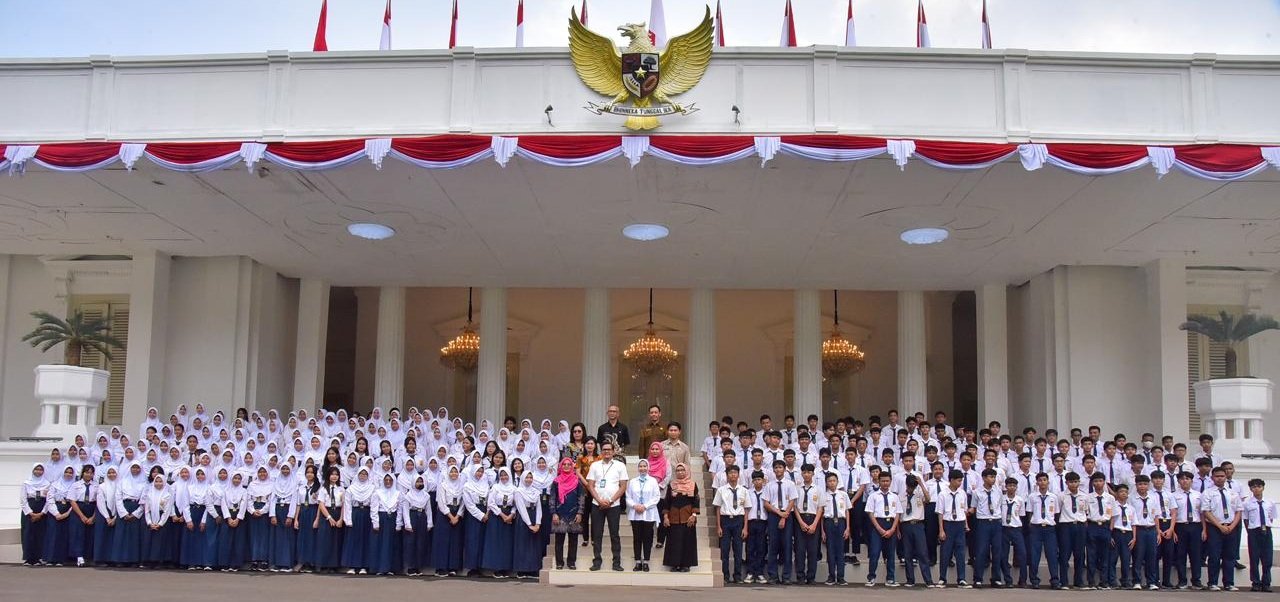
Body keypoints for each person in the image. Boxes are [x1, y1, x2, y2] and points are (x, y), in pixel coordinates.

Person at [586, 440, 628, 572]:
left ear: (613, 451)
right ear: (601, 451)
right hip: (596, 504)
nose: (606, 452)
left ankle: (616, 562)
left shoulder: (620, 465)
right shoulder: (595, 465)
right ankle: (597, 561)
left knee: (614, 534)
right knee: (597, 534)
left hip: (613, 505)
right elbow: (590, 485)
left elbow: (623, 486)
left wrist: (610, 501)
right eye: (604, 449)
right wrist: (599, 500)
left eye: (609, 449)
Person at [1203, 466, 1242, 591]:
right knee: (1214, 555)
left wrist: (1232, 526)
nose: (1220, 478)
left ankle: (1229, 583)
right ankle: (1212, 582)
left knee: (1229, 556)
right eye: (1217, 476)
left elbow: (1238, 511)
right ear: (1212, 478)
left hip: (1230, 527)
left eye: (1222, 476)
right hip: (1215, 527)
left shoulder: (1232, 493)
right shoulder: (1208, 492)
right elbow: (1206, 511)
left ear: (1226, 477)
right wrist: (1219, 526)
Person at [662, 462, 700, 573]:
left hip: (688, 517)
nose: (680, 472)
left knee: (688, 541)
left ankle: (686, 564)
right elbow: (667, 501)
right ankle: (674, 564)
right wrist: (665, 516)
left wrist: (693, 515)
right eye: (678, 471)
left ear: (686, 471)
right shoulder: (672, 485)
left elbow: (696, 501)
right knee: (674, 541)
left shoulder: (693, 484)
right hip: (673, 517)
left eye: (682, 470)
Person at [713, 464, 748, 583]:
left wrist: (745, 527)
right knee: (725, 550)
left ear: (738, 475)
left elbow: (746, 509)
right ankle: (725, 576)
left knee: (738, 550)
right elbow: (717, 508)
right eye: (730, 473)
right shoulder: (721, 490)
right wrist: (718, 526)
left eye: (735, 473)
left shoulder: (743, 490)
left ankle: (737, 576)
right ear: (727, 476)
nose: (733, 475)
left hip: (739, 520)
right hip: (725, 520)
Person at [865, 471, 900, 587]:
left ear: (890, 482)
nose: (885, 483)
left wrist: (893, 529)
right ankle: (871, 577)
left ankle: (890, 578)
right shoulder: (873, 496)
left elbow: (897, 514)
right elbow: (870, 514)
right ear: (879, 481)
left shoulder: (894, 496)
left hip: (891, 524)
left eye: (887, 481)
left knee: (890, 554)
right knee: (874, 552)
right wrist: (879, 528)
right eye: (883, 481)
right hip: (878, 524)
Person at [937, 468, 971, 587]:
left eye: (961, 481)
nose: (959, 483)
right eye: (958, 481)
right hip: (948, 524)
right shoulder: (943, 494)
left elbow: (964, 510)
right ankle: (942, 578)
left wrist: (966, 524)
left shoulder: (962, 493)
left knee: (960, 553)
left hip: (960, 524)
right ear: (951, 480)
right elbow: (940, 513)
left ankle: (961, 578)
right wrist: (941, 530)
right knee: (945, 552)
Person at [626, 457, 662, 571]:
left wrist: (645, 506)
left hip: (649, 513)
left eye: (644, 466)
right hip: (635, 513)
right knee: (637, 538)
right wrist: (634, 506)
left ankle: (646, 560)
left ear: (648, 467)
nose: (642, 468)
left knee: (647, 538)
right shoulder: (632, 482)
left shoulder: (653, 481)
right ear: (638, 468)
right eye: (640, 466)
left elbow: (656, 497)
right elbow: (628, 497)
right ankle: (637, 561)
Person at [550, 458, 585, 570]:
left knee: (573, 540)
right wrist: (554, 513)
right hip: (560, 514)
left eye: (569, 464)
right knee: (559, 540)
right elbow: (552, 498)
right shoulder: (556, 481)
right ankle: (559, 562)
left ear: (572, 466)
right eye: (564, 464)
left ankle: (571, 562)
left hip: (574, 513)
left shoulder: (577, 481)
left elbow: (581, 497)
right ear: (561, 466)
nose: (566, 466)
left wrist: (580, 512)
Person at [1027, 472, 1061, 589]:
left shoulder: (1053, 497)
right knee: (1034, 555)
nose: (1042, 482)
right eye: (1040, 480)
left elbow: (1056, 514)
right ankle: (1034, 580)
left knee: (1052, 555)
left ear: (1048, 482)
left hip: (1049, 528)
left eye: (1044, 480)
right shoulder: (1032, 497)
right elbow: (1029, 513)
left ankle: (1055, 580)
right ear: (1037, 482)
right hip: (1036, 528)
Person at [482, 467, 516, 578]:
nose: (504, 477)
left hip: (509, 516)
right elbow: (490, 503)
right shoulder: (495, 487)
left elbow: (516, 504)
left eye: (506, 475)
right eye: (501, 475)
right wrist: (502, 515)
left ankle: (505, 567)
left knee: (506, 543)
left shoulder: (514, 488)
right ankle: (496, 568)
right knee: (496, 542)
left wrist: (511, 515)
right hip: (497, 516)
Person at [792, 463, 823, 585]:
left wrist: (815, 524)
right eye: (804, 472)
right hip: (800, 519)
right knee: (799, 550)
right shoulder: (797, 489)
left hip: (813, 519)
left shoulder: (818, 489)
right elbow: (794, 507)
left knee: (812, 550)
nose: (806, 475)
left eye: (809, 472)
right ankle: (800, 576)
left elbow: (820, 508)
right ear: (801, 474)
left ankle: (811, 577)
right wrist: (800, 522)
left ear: (813, 474)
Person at [820, 470, 851, 586]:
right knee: (831, 551)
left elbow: (847, 511)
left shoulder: (843, 495)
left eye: (834, 481)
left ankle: (841, 576)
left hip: (841, 523)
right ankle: (831, 576)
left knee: (840, 550)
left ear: (837, 482)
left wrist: (848, 528)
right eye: (829, 481)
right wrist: (822, 531)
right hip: (829, 523)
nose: (832, 483)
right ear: (826, 483)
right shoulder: (823, 495)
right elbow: (821, 514)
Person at [342, 466, 375, 574]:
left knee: (365, 540)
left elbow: (374, 504)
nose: (363, 476)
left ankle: (364, 566)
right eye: (361, 474)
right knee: (353, 540)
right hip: (355, 514)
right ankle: (352, 565)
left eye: (365, 474)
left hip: (366, 513)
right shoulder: (351, 488)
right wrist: (348, 520)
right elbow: (347, 505)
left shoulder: (372, 488)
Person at [432, 465, 464, 576]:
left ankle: (452, 566)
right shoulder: (443, 485)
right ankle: (441, 567)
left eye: (456, 472)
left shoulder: (461, 486)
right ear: (448, 473)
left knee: (455, 541)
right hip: (445, 514)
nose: (454, 474)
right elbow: (441, 503)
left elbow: (463, 502)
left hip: (457, 514)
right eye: (452, 472)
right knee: (443, 541)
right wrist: (450, 516)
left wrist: (458, 515)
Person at [1085, 472, 1115, 589]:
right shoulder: (1088, 497)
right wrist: (1088, 529)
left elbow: (1113, 515)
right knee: (1091, 555)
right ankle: (1091, 581)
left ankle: (1104, 581)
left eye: (1101, 481)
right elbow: (1085, 514)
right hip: (1092, 526)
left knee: (1105, 555)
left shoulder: (1110, 498)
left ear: (1104, 482)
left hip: (1105, 527)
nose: (1098, 483)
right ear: (1092, 483)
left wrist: (1110, 530)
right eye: (1096, 481)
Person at [1244, 478, 1274, 592]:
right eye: (1254, 487)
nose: (1257, 489)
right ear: (1251, 489)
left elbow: (1271, 516)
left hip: (1266, 530)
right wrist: (1250, 532)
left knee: (1267, 559)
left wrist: (1266, 527)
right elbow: (1246, 520)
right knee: (1254, 558)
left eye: (1259, 486)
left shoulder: (1269, 502)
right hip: (1253, 531)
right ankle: (1255, 582)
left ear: (1263, 488)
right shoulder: (1247, 503)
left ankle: (1266, 583)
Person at [513, 470, 544, 579]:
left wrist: (538, 523)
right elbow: (521, 508)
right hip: (524, 519)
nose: (529, 480)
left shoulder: (536, 492)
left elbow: (539, 508)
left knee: (534, 545)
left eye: (530, 478)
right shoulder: (518, 491)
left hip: (534, 516)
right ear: (522, 479)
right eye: (527, 477)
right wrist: (529, 524)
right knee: (523, 544)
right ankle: (522, 570)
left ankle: (533, 569)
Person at [370, 473, 402, 576]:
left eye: (390, 480)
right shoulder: (377, 493)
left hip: (392, 518)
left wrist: (398, 523)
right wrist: (375, 522)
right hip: (382, 518)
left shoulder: (397, 493)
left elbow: (400, 509)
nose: (388, 482)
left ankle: (390, 568)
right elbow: (373, 509)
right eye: (386, 480)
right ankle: (380, 567)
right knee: (381, 544)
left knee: (391, 544)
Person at [460, 464, 490, 576]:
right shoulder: (467, 486)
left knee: (482, 540)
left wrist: (487, 513)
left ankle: (480, 566)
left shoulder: (485, 485)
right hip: (474, 515)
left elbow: (489, 500)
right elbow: (469, 504)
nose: (479, 474)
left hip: (485, 513)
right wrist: (481, 515)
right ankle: (472, 567)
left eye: (481, 471)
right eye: (477, 471)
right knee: (473, 541)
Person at [314, 466, 345, 573]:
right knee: (324, 540)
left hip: (337, 512)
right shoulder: (323, 489)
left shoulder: (341, 489)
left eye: (336, 474)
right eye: (332, 474)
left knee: (335, 540)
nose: (334, 476)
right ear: (328, 476)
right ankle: (323, 564)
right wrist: (329, 517)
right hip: (326, 514)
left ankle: (333, 565)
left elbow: (344, 505)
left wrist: (341, 519)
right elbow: (321, 504)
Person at [179, 466, 211, 570]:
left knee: (203, 538)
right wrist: (188, 520)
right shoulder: (189, 487)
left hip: (203, 512)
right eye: (198, 474)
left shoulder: (209, 487)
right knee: (191, 538)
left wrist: (204, 521)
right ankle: (191, 562)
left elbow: (209, 505)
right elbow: (185, 504)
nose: (200, 476)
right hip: (192, 512)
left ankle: (201, 562)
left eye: (202, 474)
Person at [401, 474, 433, 576]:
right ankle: (410, 567)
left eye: (421, 482)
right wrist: (408, 524)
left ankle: (418, 566)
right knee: (411, 543)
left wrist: (429, 522)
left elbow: (429, 510)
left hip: (422, 517)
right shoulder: (408, 495)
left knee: (420, 543)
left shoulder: (426, 495)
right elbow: (405, 511)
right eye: (418, 482)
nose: (420, 484)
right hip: (412, 515)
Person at [998, 477, 1027, 589]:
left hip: (1016, 528)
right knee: (1003, 555)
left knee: (1022, 554)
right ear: (1006, 487)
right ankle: (1008, 579)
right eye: (1009, 485)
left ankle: (1022, 580)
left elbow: (1021, 515)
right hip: (1004, 528)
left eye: (1014, 486)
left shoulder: (1019, 500)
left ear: (1016, 487)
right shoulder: (1001, 499)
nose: (1012, 488)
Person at [269, 462, 298, 572]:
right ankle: (276, 563)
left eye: (287, 469)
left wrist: (290, 516)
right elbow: (272, 499)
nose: (285, 471)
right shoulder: (276, 483)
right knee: (277, 538)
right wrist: (272, 515)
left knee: (287, 538)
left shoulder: (293, 483)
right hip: (277, 510)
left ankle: (287, 564)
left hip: (287, 510)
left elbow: (294, 500)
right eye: (283, 469)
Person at [141, 474, 174, 568]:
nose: (158, 483)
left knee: (160, 541)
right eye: (156, 481)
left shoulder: (167, 494)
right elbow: (147, 510)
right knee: (150, 541)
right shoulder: (150, 494)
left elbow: (167, 510)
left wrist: (160, 523)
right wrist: (149, 522)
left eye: (160, 481)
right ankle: (150, 560)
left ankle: (160, 561)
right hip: (151, 519)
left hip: (162, 520)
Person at [67, 465, 97, 567]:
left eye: (91, 473)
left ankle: (89, 556)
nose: (89, 474)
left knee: (90, 534)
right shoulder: (75, 485)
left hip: (91, 508)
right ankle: (79, 557)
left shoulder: (96, 486)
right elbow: (72, 500)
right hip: (78, 509)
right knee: (78, 533)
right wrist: (82, 516)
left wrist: (93, 517)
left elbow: (99, 502)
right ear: (82, 473)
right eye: (86, 472)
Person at [296, 465, 321, 572]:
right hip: (303, 511)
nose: (309, 474)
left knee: (312, 538)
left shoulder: (319, 488)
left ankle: (312, 562)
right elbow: (298, 504)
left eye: (312, 472)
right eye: (308, 472)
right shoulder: (301, 488)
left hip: (313, 511)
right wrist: (296, 518)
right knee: (303, 537)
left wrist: (317, 519)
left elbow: (320, 504)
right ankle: (303, 561)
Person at [1111, 483, 1136, 589]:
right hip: (1116, 533)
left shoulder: (1131, 508)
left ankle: (1125, 580)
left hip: (1127, 534)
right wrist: (1110, 536)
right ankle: (1112, 580)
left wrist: (1134, 538)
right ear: (1116, 494)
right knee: (1113, 558)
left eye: (1125, 492)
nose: (1123, 494)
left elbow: (1134, 524)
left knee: (1126, 559)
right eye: (1121, 492)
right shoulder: (1112, 506)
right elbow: (1111, 521)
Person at [93, 466, 118, 566]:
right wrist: (107, 517)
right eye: (109, 473)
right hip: (103, 512)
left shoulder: (120, 485)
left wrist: (115, 516)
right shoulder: (102, 486)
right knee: (102, 536)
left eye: (113, 472)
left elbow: (120, 500)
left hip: (116, 512)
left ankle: (112, 559)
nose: (111, 475)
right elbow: (100, 501)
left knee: (113, 537)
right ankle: (100, 559)